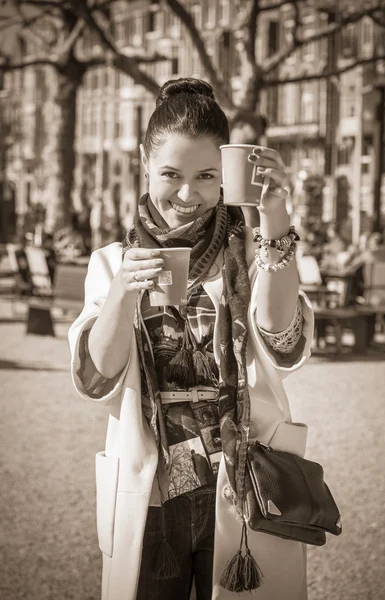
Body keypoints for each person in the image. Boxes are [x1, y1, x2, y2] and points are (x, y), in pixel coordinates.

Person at [68, 78, 314, 600]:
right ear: (143, 162)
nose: (188, 194)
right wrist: (123, 290)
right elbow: (96, 378)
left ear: (225, 173)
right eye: (171, 174)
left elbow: (283, 342)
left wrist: (275, 221)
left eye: (206, 176)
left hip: (245, 482)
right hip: (154, 490)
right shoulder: (111, 263)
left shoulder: (251, 253)